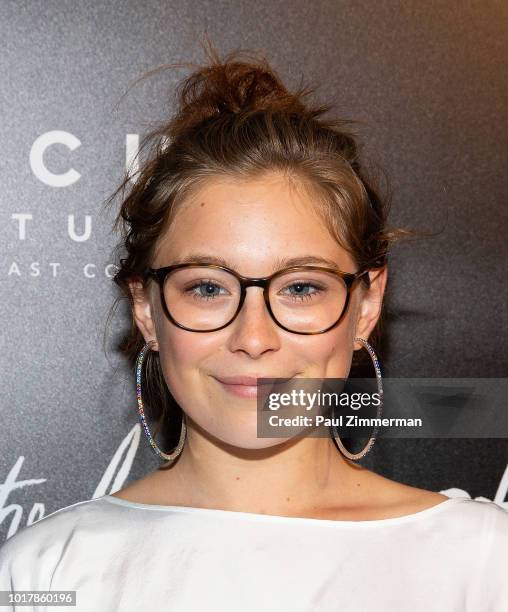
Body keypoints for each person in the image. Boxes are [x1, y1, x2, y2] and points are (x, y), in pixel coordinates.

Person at [1, 42, 507, 611]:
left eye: (300, 287)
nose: (254, 338)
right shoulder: (44, 573)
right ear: (146, 310)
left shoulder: (485, 562)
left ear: (366, 305)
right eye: (208, 287)